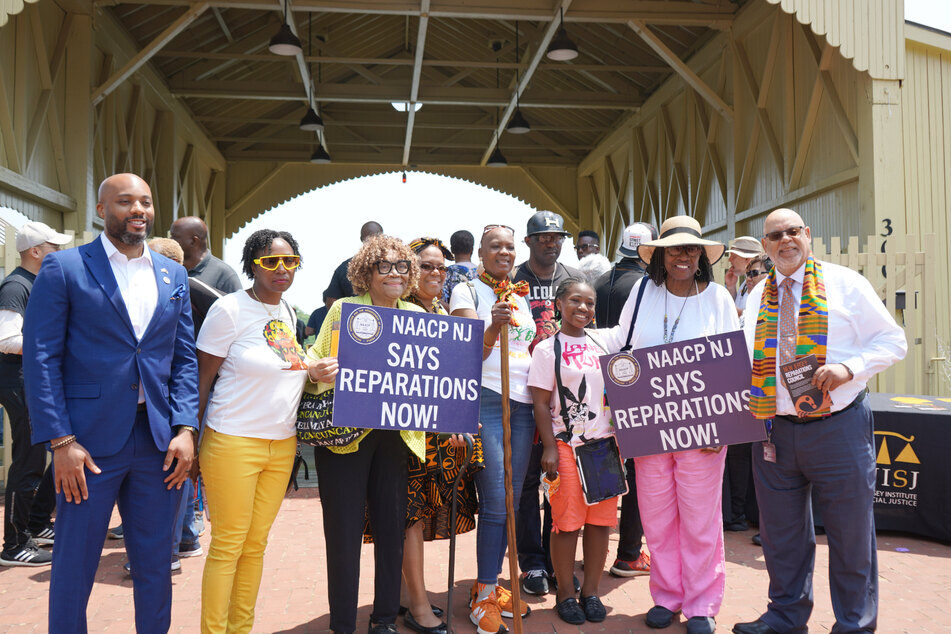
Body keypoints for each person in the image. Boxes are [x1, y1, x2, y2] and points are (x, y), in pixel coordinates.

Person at [23, 173, 199, 633]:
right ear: (101, 210)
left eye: (145, 201)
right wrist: (60, 441)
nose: (137, 210)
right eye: (125, 202)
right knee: (74, 566)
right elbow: (41, 359)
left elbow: (182, 358)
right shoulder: (65, 268)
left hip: (159, 442)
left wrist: (185, 428)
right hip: (86, 445)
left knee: (157, 566)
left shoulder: (173, 273)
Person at [733, 209, 907, 634]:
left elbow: (893, 340)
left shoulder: (846, 284)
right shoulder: (758, 295)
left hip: (838, 426)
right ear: (766, 244)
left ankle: (854, 624)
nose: (785, 241)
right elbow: (744, 354)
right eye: (775, 235)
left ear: (808, 235)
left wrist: (850, 368)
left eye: (793, 232)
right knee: (781, 536)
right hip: (775, 429)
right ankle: (786, 617)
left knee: (850, 535)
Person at [600, 216, 737, 634]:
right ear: (659, 254)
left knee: (700, 518)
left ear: (701, 256)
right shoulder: (642, 292)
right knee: (657, 516)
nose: (683, 256)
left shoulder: (717, 298)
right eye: (675, 248)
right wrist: (565, 342)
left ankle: (701, 604)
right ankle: (666, 596)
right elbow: (618, 344)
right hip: (648, 424)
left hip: (703, 430)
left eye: (691, 249)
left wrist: (724, 426)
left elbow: (734, 361)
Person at [307, 234, 426, 634]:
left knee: (391, 528)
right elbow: (313, 361)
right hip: (344, 435)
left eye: (402, 266)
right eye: (384, 266)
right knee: (342, 532)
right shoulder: (343, 310)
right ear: (366, 272)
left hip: (395, 434)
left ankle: (383, 618)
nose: (395, 273)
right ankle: (342, 623)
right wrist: (317, 371)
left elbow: (433, 377)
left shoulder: (417, 315)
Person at [194, 229, 308, 633]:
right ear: (252, 265)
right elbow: (202, 379)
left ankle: (241, 628)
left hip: (281, 445)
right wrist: (191, 439)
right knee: (228, 544)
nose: (281, 269)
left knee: (255, 545)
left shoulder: (289, 312)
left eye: (289, 261)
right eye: (270, 261)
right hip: (232, 441)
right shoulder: (229, 310)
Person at [384, 237, 484, 634]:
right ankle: (419, 604)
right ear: (409, 271)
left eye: (441, 267)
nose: (436, 274)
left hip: (441, 435)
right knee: (409, 517)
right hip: (408, 433)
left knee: (422, 515)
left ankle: (412, 597)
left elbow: (457, 373)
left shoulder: (442, 310)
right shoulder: (400, 312)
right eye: (425, 266)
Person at [450, 225, 536, 634]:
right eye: (495, 246)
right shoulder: (467, 291)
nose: (504, 252)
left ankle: (494, 583)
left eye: (509, 246)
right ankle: (483, 592)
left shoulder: (519, 294)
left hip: (521, 403)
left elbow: (526, 349)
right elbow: (466, 353)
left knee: (514, 501)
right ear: (480, 252)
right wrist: (491, 327)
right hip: (485, 396)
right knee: (497, 498)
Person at [528, 278, 616, 626]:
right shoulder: (547, 350)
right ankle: (565, 593)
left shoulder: (603, 342)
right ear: (558, 304)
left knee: (600, 523)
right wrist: (549, 446)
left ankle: (591, 592)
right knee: (566, 524)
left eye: (590, 302)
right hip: (565, 447)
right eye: (575, 301)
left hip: (605, 446)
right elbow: (538, 402)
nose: (583, 308)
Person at [511, 210, 579, 597]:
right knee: (524, 485)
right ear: (530, 241)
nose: (551, 243)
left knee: (560, 481)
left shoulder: (571, 279)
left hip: (565, 400)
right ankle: (532, 563)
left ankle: (556, 560)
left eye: (557, 237)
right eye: (543, 237)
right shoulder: (514, 280)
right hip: (523, 395)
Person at [0, 222, 71, 566]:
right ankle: (15, 545)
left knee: (39, 455)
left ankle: (37, 525)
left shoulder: (33, 283)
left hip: (30, 382)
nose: (58, 252)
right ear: (35, 251)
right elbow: (6, 340)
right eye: (53, 246)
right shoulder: (16, 285)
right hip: (19, 383)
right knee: (27, 462)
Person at [592, 221, 656, 578]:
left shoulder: (600, 280)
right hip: (633, 381)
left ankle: (593, 550)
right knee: (637, 470)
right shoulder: (648, 286)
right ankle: (629, 552)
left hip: (596, 382)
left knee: (600, 463)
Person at [722, 255, 772, 535]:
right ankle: (738, 514)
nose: (749, 278)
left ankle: (768, 525)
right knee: (740, 458)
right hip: (743, 393)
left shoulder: (778, 305)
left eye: (755, 273)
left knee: (767, 462)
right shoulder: (750, 306)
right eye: (748, 274)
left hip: (768, 398)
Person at [170, 216, 242, 294]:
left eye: (175, 237)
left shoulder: (225, 275)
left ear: (194, 241)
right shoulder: (170, 269)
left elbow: (238, 306)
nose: (170, 240)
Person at [323, 221, 384, 308]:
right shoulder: (394, 268)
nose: (372, 242)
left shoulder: (345, 267)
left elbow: (332, 303)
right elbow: (331, 302)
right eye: (370, 238)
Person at [723, 236, 765, 315]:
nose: (729, 260)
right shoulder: (745, 283)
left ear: (747, 259)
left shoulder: (761, 282)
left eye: (734, 256)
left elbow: (759, 316)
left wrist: (732, 310)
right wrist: (731, 287)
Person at [443, 229, 478, 303]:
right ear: (472, 249)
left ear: (452, 250)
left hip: (455, 313)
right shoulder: (482, 273)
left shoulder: (447, 273)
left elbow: (443, 300)